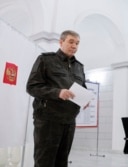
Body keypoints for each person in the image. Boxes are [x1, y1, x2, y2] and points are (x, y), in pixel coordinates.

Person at [26, 30, 88, 167]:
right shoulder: (46, 60)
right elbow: (32, 87)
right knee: (45, 162)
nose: (74, 46)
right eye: (71, 42)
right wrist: (57, 93)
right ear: (61, 42)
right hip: (48, 120)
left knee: (62, 161)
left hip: (69, 121)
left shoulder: (79, 67)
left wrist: (85, 100)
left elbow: (83, 89)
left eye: (77, 43)